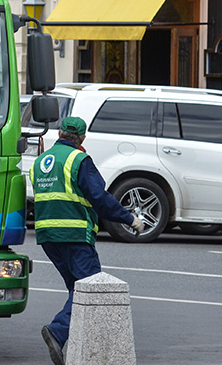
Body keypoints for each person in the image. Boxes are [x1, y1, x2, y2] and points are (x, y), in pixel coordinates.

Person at [29, 116, 143, 365]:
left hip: (48, 236)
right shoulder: (79, 159)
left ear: (59, 133)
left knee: (77, 290)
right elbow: (99, 197)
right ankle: (58, 332)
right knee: (90, 289)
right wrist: (129, 219)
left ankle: (70, 342)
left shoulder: (39, 162)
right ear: (82, 138)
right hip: (75, 234)